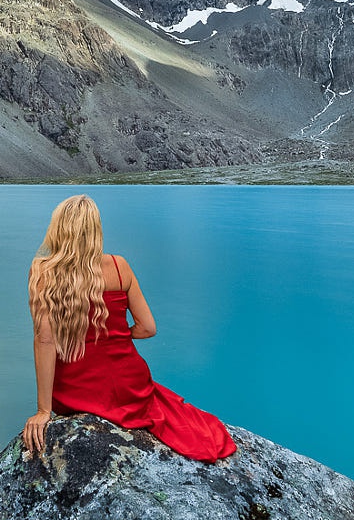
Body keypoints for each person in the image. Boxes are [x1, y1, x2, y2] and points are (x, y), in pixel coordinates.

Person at [22, 194, 235, 463]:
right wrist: (115, 336)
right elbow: (148, 328)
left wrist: (43, 410)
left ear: (58, 229)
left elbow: (45, 341)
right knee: (177, 413)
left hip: (76, 390)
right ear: (95, 230)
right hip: (130, 387)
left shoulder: (42, 271)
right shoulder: (120, 267)